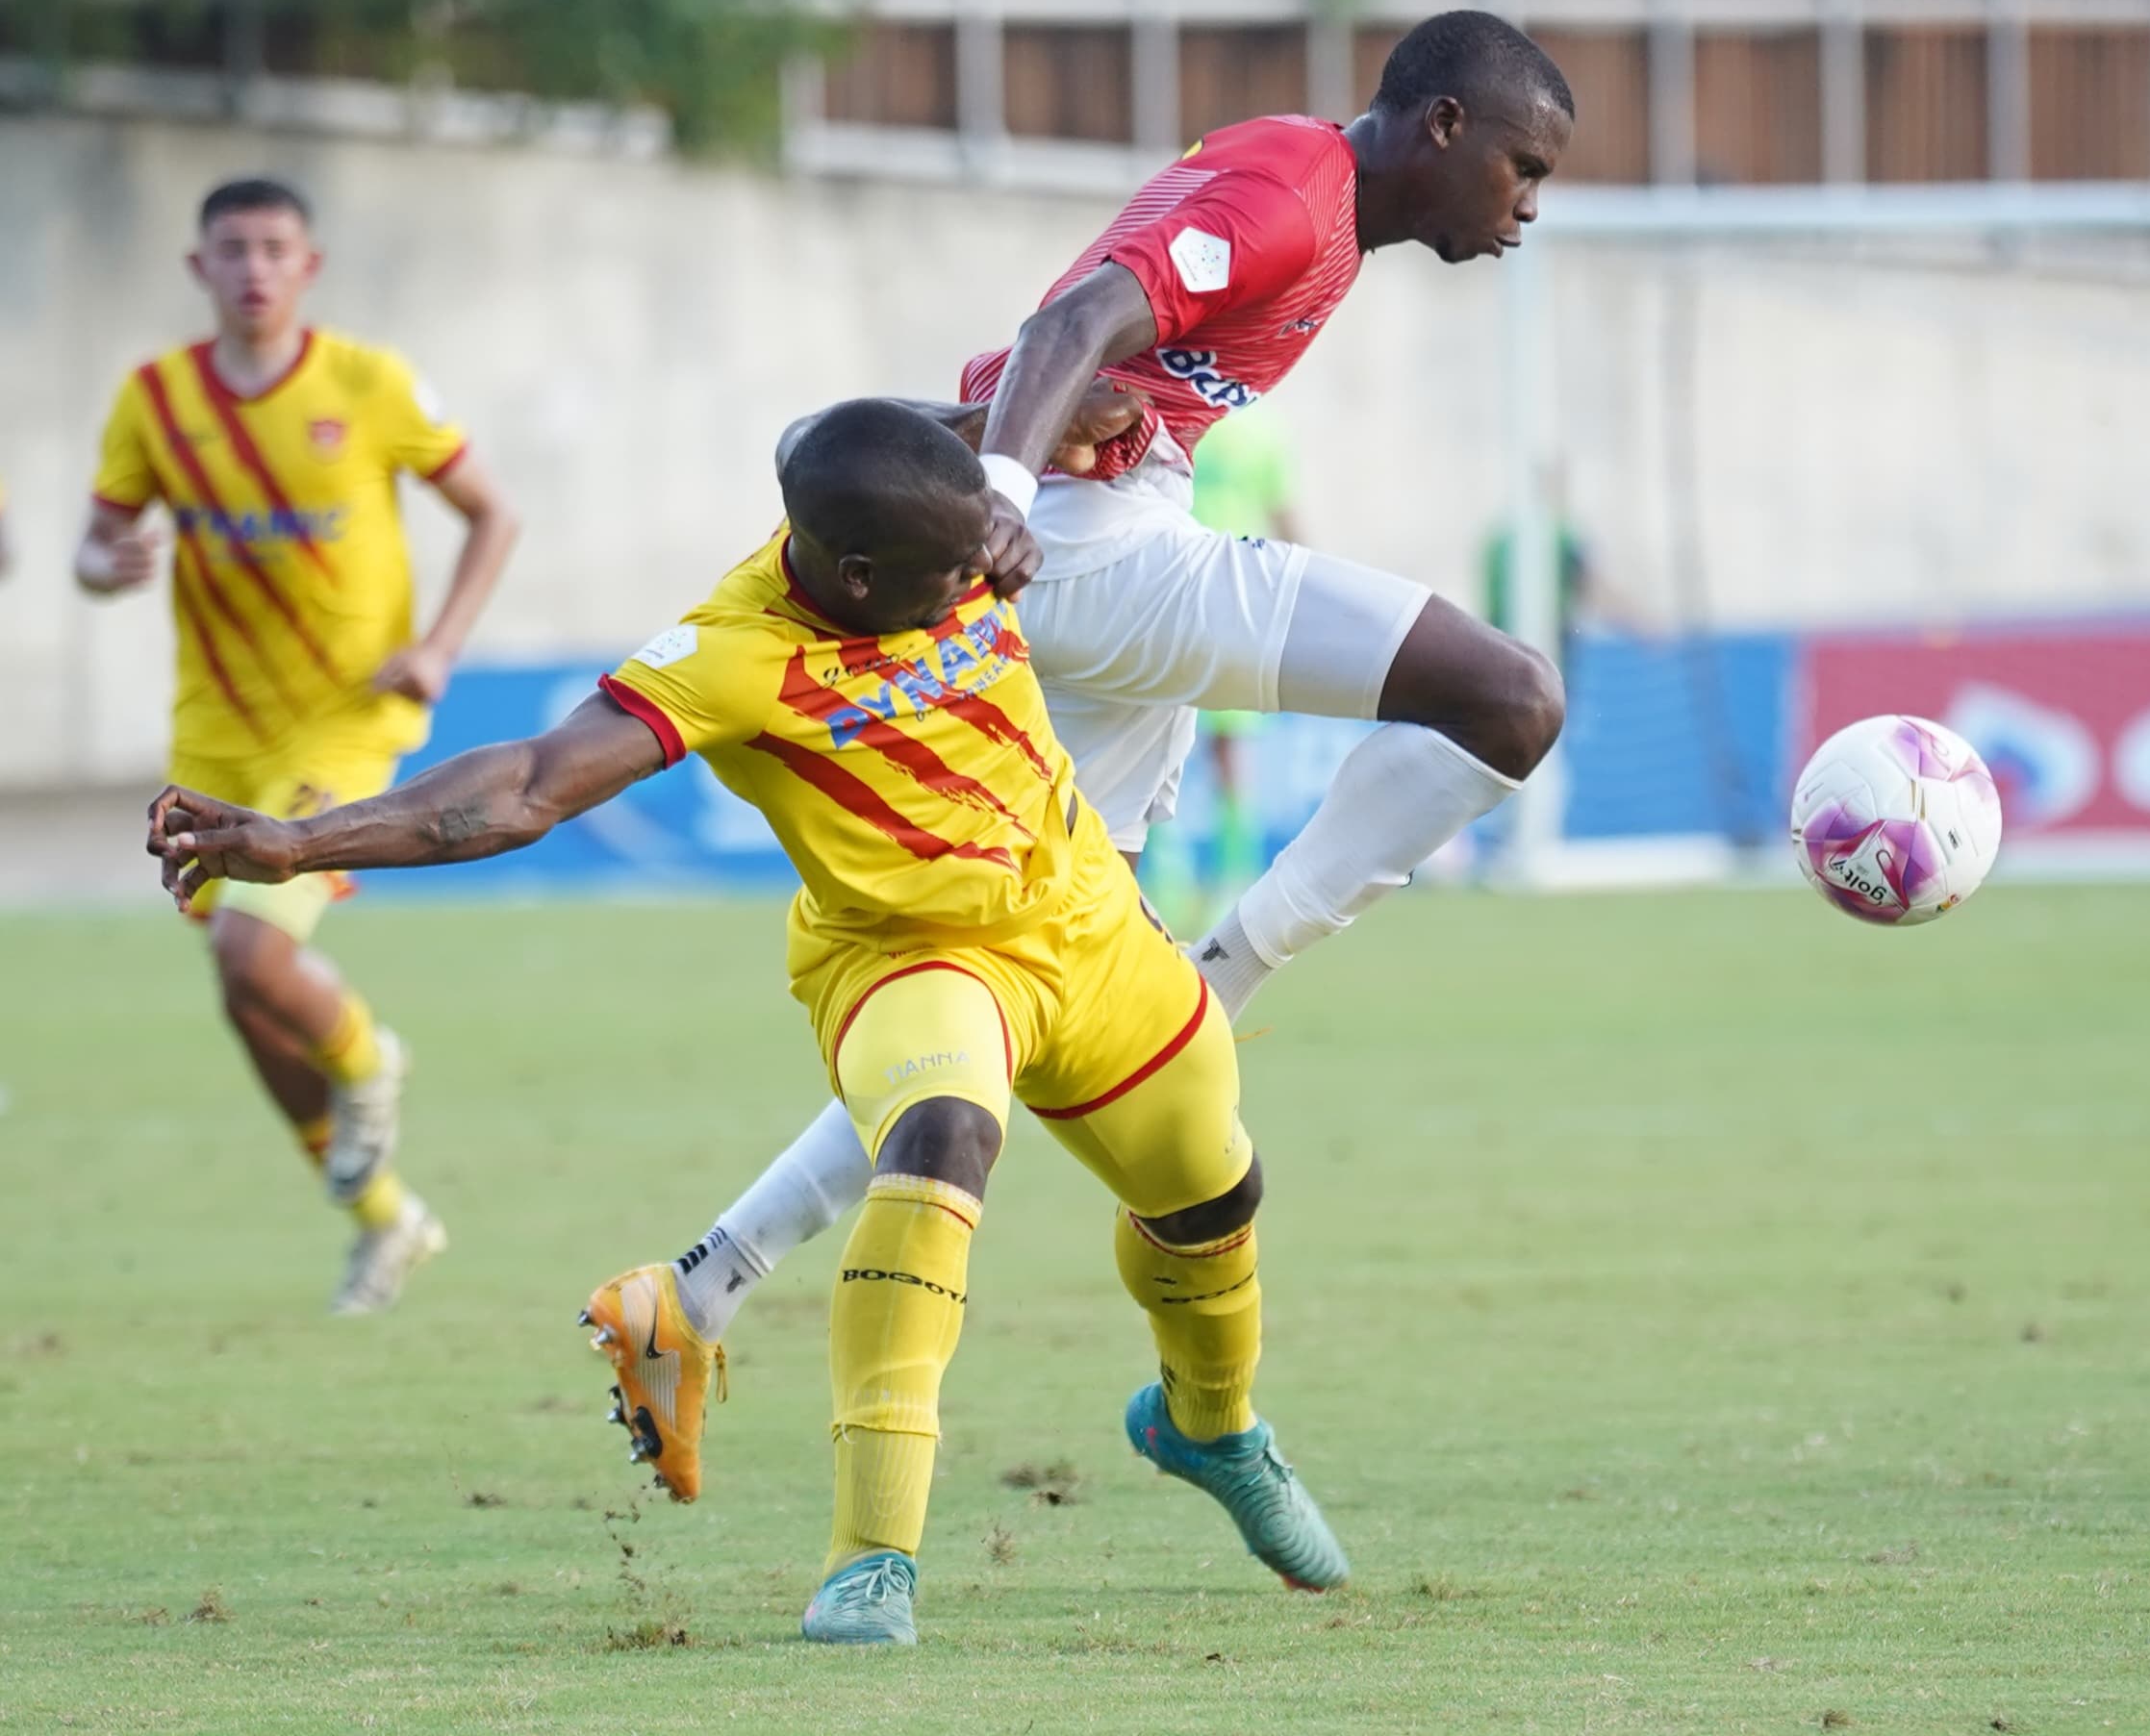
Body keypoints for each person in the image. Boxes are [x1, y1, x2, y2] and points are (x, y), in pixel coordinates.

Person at [147, 397, 1346, 1644]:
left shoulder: (946, 521)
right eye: (949, 577)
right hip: (911, 958)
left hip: (1093, 926)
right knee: (941, 1138)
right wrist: (296, 842)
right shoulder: (733, 655)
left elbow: (986, 392)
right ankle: (869, 1560)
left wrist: (1075, 396)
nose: (983, 580)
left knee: (1212, 1205)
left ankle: (1207, 1428)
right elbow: (522, 787)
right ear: (856, 574)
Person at [580, 10, 1577, 1502]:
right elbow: (1066, 331)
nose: (1527, 205)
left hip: (1097, 540)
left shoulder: (1285, 180)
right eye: (1521, 165)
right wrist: (998, 507)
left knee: (1025, 985)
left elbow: (1057, 353)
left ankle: (700, 1287)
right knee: (1508, 700)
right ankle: (1233, 968)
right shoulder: (1293, 196)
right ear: (1440, 128)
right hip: (1097, 562)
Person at [77, 177, 519, 1314]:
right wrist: (101, 566)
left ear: (308, 265)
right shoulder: (155, 401)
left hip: (348, 717)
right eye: (233, 249)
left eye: (276, 248)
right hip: (213, 732)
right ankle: (387, 1220)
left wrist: (439, 645)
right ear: (199, 268)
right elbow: (96, 542)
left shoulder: (367, 384)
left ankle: (373, 1063)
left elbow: (493, 511)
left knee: (248, 956)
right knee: (247, 996)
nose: (255, 268)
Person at [1173, 401, 1303, 914]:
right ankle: (1170, 884)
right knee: (1166, 745)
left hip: (1233, 604)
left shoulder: (1260, 431)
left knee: (1223, 751)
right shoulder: (1175, 415)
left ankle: (1232, 880)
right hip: (1179, 598)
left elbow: (1283, 515)